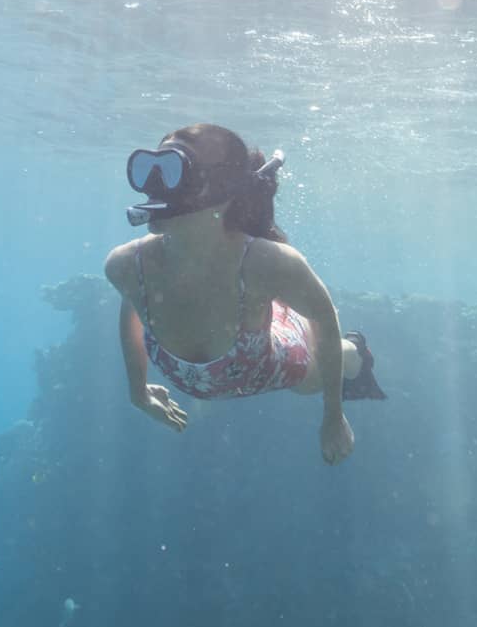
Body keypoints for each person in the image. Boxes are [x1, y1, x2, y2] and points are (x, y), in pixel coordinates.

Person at [104, 123, 384, 465]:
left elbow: (323, 316)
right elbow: (132, 304)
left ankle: (356, 349)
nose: (155, 187)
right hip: (249, 308)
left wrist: (333, 415)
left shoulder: (271, 264)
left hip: (274, 362)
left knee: (311, 379)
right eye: (150, 168)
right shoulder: (125, 265)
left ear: (224, 191)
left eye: (175, 168)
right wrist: (138, 393)